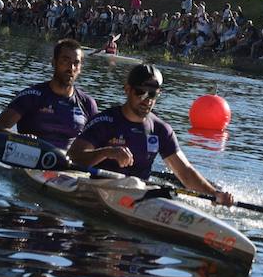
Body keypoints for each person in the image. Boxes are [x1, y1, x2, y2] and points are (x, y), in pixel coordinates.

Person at [68, 63, 235, 206]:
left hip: (139, 197)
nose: (147, 99)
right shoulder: (105, 121)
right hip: (99, 192)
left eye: (153, 94)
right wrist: (108, 152)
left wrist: (214, 194)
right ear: (127, 89)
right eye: (141, 92)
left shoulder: (161, 129)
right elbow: (73, 157)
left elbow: (185, 172)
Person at [0, 38, 98, 149]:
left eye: (76, 63)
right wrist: (20, 138)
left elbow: (97, 144)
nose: (71, 68)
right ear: (54, 62)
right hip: (27, 159)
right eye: (66, 61)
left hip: (65, 163)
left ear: (80, 68)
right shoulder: (31, 96)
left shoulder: (88, 104)